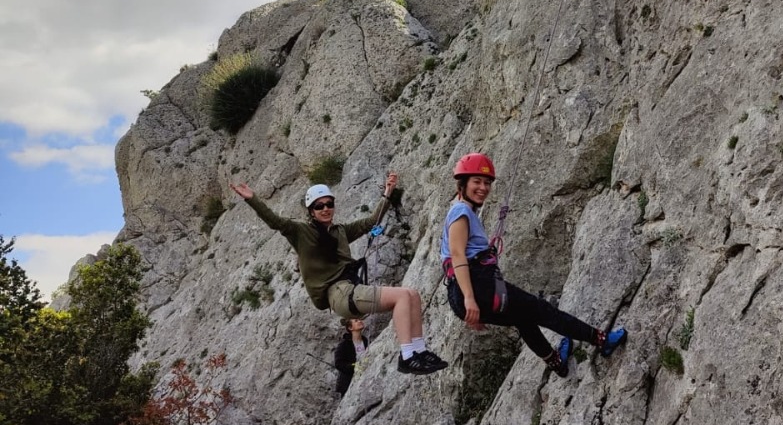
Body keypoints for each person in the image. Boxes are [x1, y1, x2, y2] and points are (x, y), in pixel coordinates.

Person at [230, 174, 447, 375]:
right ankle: (408, 356)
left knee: (412, 294)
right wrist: (252, 199)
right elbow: (275, 221)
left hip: (350, 288)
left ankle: (419, 351)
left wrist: (387, 193)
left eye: (329, 204)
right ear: (311, 211)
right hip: (339, 294)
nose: (325, 209)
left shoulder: (340, 231)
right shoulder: (301, 232)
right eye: (319, 206)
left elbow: (370, 223)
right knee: (401, 297)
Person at [440, 153, 627, 377]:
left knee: (523, 318)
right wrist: (470, 298)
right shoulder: (461, 212)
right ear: (463, 184)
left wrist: (466, 302)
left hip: (463, 290)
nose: (483, 187)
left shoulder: (465, 212)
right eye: (477, 182)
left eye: (487, 183)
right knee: (541, 310)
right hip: (474, 284)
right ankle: (601, 340)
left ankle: (556, 363)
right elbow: (458, 255)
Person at [334, 316, 368, 395]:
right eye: (356, 321)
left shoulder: (366, 341)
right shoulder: (344, 345)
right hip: (348, 383)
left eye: (360, 319)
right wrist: (354, 366)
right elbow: (338, 363)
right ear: (350, 327)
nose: (360, 321)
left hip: (364, 379)